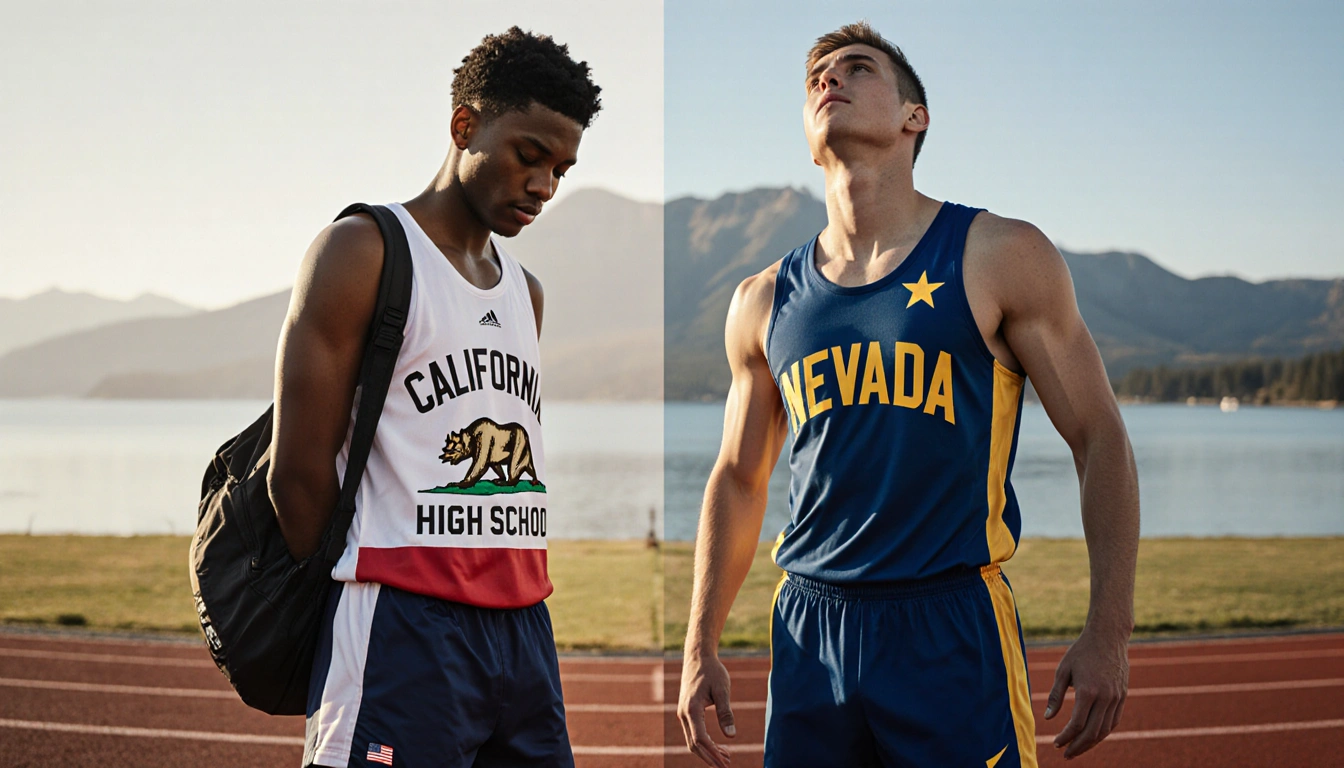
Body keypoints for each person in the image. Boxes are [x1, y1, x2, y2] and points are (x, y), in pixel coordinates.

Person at [676, 21, 1139, 768]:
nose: (830, 79)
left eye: (857, 68)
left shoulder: (999, 255)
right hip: (810, 634)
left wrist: (1108, 630)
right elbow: (737, 477)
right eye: (816, 77)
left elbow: (1100, 438)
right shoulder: (762, 300)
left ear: (912, 117)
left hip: (949, 630)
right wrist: (700, 644)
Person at [265, 27, 601, 768]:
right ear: (464, 125)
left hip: (523, 626)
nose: (544, 186)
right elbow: (296, 473)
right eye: (529, 155)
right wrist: (374, 587)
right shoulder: (363, 250)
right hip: (402, 623)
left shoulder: (526, 292)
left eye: (562, 169)